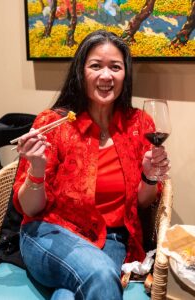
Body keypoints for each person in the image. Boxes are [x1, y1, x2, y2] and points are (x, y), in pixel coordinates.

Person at [13, 29, 170, 300]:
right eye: (95, 66)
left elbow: (143, 204)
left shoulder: (139, 125)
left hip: (111, 238)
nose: (106, 76)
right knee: (99, 273)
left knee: (68, 295)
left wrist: (149, 176)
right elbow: (30, 208)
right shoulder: (53, 123)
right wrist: (36, 169)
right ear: (81, 72)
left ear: (125, 74)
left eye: (115, 67)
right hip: (49, 233)